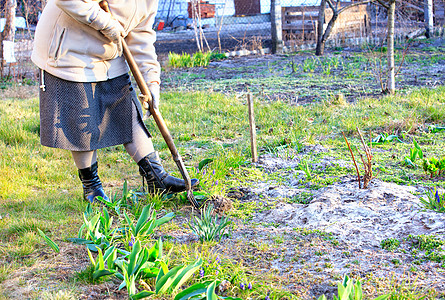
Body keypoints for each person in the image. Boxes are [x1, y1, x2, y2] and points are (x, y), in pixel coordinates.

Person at [31, 0, 198, 202]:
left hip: (109, 54)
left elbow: (141, 35)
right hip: (68, 52)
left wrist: (152, 80)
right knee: (82, 122)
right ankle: (92, 188)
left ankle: (157, 179)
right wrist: (105, 22)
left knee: (128, 113)